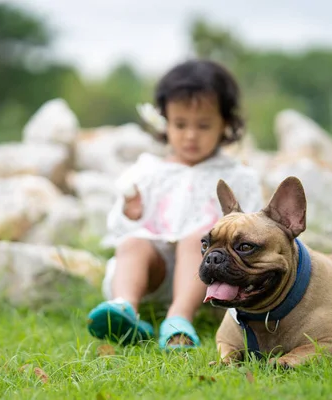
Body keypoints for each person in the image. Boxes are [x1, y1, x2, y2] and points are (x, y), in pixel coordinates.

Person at [87, 59, 264, 350]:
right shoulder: (148, 171)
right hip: (151, 274)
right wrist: (132, 213)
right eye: (180, 124)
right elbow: (119, 229)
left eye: (203, 125)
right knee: (133, 244)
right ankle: (124, 308)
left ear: (225, 124)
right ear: (164, 122)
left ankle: (179, 317)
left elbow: (253, 227)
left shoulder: (238, 176)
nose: (191, 135)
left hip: (209, 276)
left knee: (198, 238)